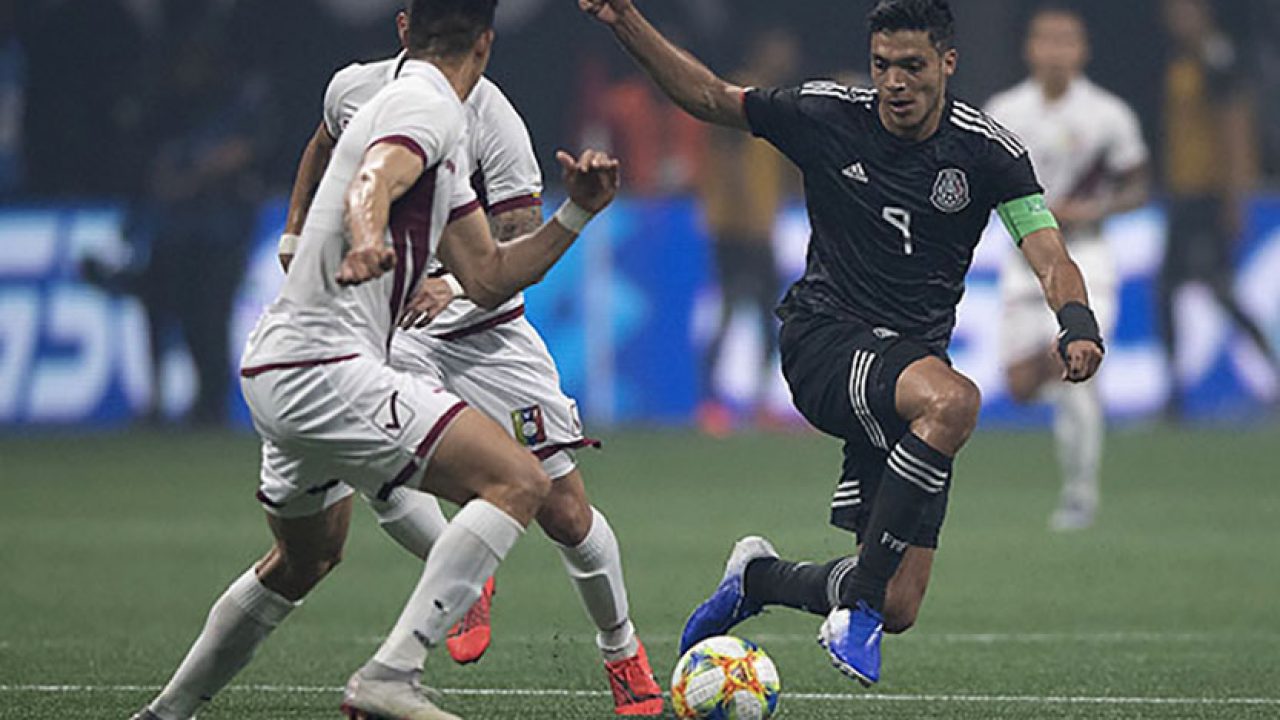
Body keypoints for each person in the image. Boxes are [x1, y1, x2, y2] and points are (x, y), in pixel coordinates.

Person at [581, 0, 1104, 686]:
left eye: (912, 66)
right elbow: (708, 96)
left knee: (900, 602)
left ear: (947, 63)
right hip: (825, 340)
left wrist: (1077, 321)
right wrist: (624, 18)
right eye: (882, 66)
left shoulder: (988, 152)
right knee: (954, 404)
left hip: (908, 371)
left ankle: (760, 578)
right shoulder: (827, 115)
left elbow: (1048, 251)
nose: (895, 83)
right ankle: (854, 610)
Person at [131, 2, 621, 719]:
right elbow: (377, 179)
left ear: (407, 30)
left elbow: (487, 276)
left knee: (304, 560)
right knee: (517, 480)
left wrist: (576, 214)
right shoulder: (427, 105)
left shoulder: (408, 108)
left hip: (280, 365)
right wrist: (366, 236)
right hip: (326, 365)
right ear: (484, 45)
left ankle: (164, 713)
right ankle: (392, 674)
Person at [274, 10, 663, 715]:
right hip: (397, 331)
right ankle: (461, 567)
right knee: (379, 470)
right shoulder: (355, 89)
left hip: (489, 332)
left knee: (566, 513)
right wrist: (296, 232)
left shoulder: (493, 119)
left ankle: (621, 648)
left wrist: (449, 285)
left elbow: (516, 234)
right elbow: (323, 144)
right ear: (403, 28)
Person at [985, 4, 1150, 531]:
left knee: (1078, 369)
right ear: (1029, 48)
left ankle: (1080, 493)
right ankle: (1054, 367)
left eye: (1066, 40)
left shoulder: (1108, 115)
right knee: (1020, 384)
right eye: (1046, 39)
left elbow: (1137, 186)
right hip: (1024, 260)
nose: (1056, 51)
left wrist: (1091, 210)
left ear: (1083, 50)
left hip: (1087, 258)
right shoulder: (1005, 111)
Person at [1159, 0, 1279, 417]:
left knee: (1216, 289)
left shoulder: (1218, 60)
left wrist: (1235, 197)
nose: (1177, 20)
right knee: (1172, 290)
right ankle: (1174, 392)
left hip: (1208, 194)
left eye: (1184, 11)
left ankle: (1269, 369)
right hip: (1183, 193)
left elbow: (1234, 127)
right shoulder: (1181, 60)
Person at [695, 29, 800, 436]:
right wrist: (747, 215)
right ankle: (710, 402)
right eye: (780, 48)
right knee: (730, 310)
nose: (787, 56)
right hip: (737, 227)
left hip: (759, 224)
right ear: (763, 50)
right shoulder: (742, 95)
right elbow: (731, 157)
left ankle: (758, 403)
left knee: (766, 313)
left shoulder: (775, 100)